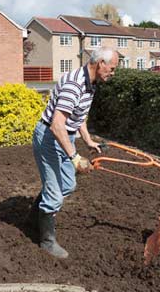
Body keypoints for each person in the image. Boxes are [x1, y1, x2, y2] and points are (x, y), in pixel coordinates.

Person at [31, 46, 119, 258]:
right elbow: (57, 125)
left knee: (68, 185)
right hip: (50, 138)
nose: (113, 73)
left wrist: (88, 141)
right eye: (112, 69)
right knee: (54, 195)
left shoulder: (91, 84)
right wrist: (75, 157)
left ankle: (37, 212)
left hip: (63, 137)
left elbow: (78, 117)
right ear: (100, 64)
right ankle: (46, 241)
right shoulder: (75, 84)